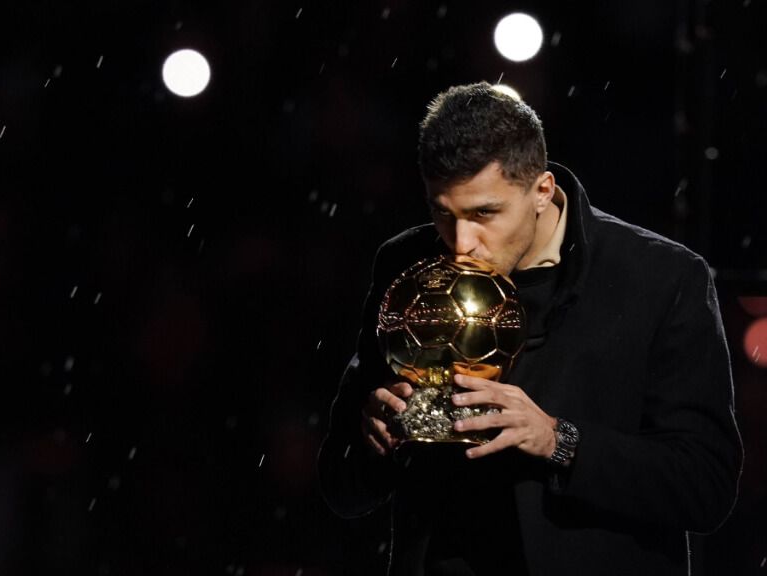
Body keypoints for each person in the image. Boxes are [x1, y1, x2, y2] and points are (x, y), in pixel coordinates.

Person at [318, 81, 743, 575]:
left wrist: (556, 439)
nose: (461, 243)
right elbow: (341, 487)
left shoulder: (660, 279)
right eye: (443, 213)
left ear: (541, 191)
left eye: (484, 214)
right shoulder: (404, 265)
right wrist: (374, 441)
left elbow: (706, 487)